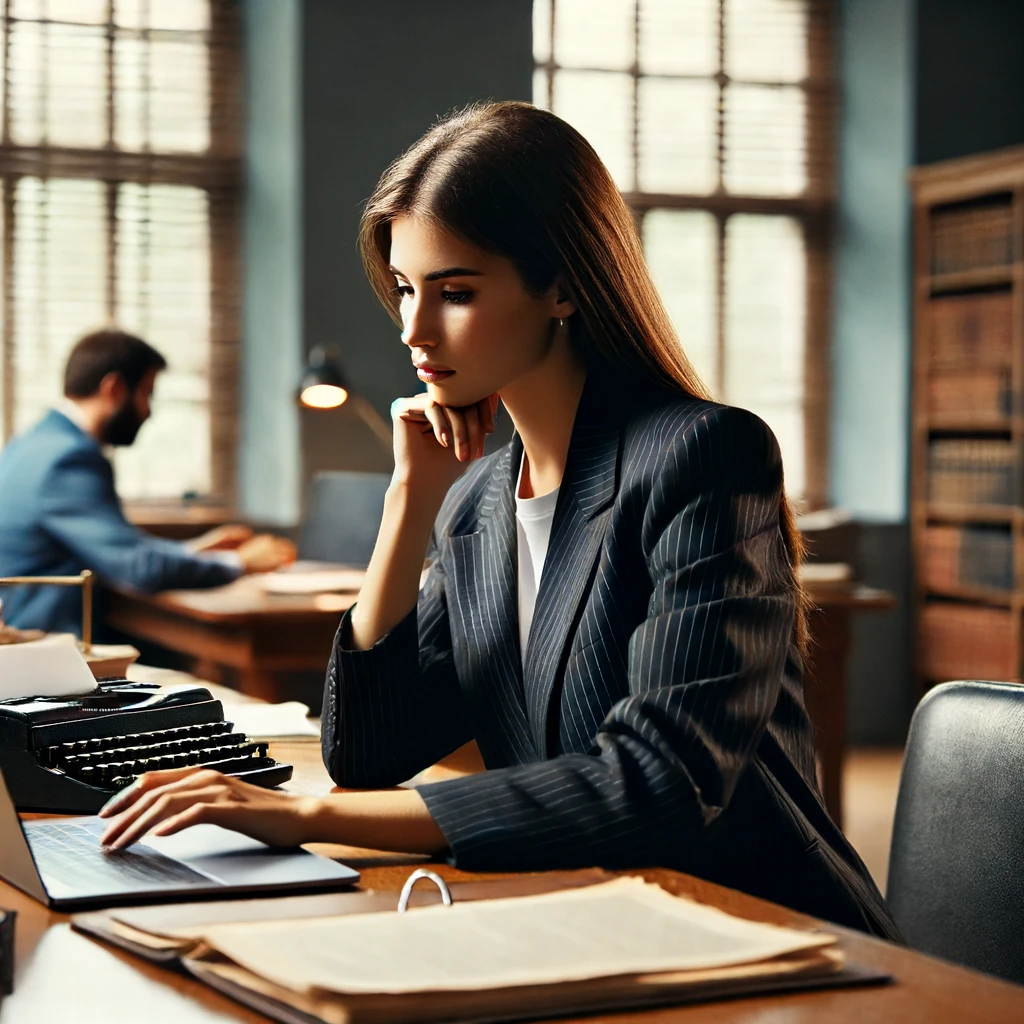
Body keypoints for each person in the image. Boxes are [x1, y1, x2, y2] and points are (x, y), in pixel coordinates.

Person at [98, 102, 901, 941]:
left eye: (456, 292)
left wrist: (303, 818)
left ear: (561, 285)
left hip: (762, 931)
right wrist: (408, 504)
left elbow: (659, 781)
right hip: (587, 916)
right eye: (405, 289)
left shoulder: (703, 455)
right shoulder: (478, 499)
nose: (413, 328)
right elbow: (367, 754)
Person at [0, 329, 295, 634]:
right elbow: (135, 567)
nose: (148, 411)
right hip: (46, 649)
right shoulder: (69, 458)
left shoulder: (30, 444)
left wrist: (191, 551)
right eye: (146, 392)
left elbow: (115, 545)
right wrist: (239, 563)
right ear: (113, 388)